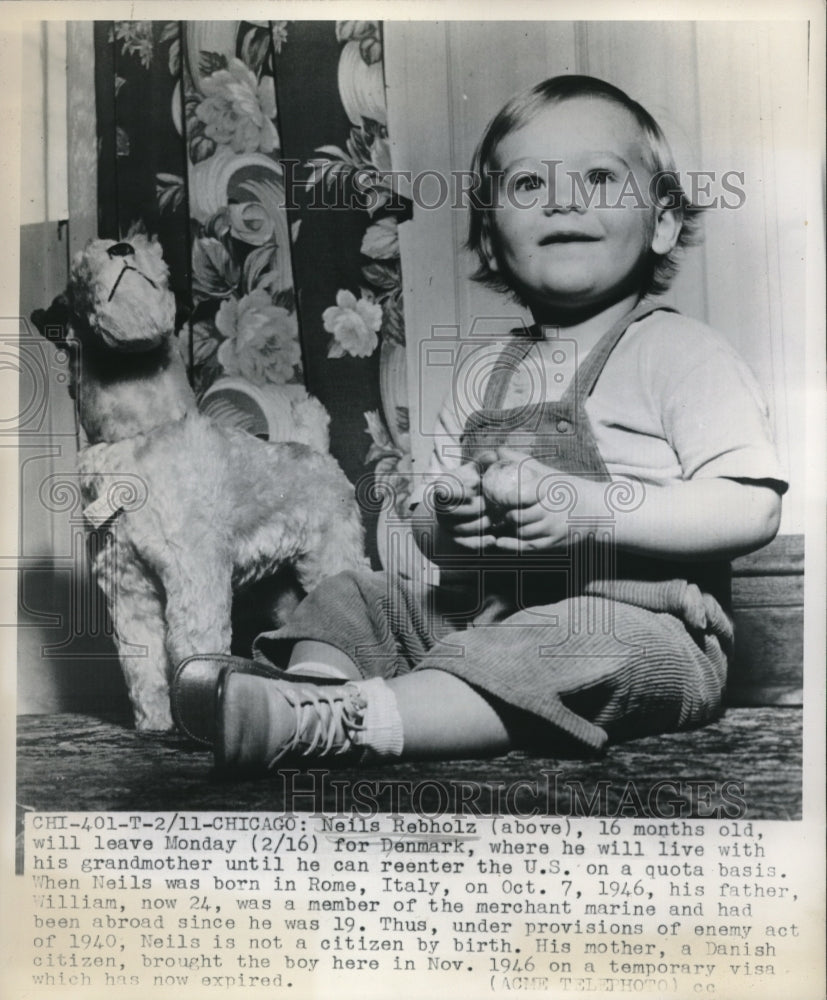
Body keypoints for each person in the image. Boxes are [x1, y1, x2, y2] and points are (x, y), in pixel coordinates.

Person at [173, 75, 786, 771]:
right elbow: (434, 538)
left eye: (598, 177)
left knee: (573, 644)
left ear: (664, 223)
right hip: (491, 609)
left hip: (647, 631)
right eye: (528, 186)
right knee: (358, 595)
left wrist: (594, 512)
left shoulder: (680, 353)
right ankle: (309, 699)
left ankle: (358, 723)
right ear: (493, 241)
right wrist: (449, 517)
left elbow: (750, 506)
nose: (562, 198)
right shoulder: (484, 373)